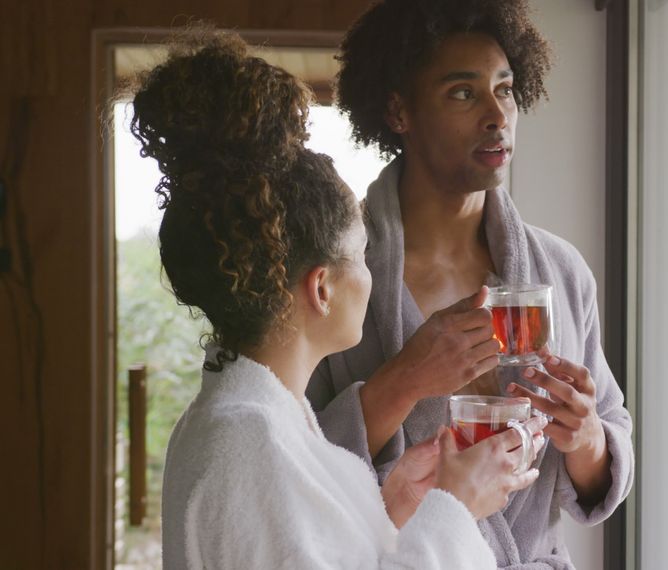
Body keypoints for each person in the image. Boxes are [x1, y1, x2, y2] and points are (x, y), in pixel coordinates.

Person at [131, 28, 546, 569]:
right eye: (361, 253)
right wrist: (456, 509)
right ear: (322, 288)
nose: (374, 275)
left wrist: (393, 503)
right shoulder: (249, 442)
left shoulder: (269, 422)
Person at [308, 1, 634, 567]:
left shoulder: (560, 270)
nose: (496, 115)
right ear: (398, 110)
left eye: (504, 90)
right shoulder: (331, 275)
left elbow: (606, 442)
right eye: (463, 92)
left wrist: (586, 438)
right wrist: (405, 378)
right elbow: (296, 463)